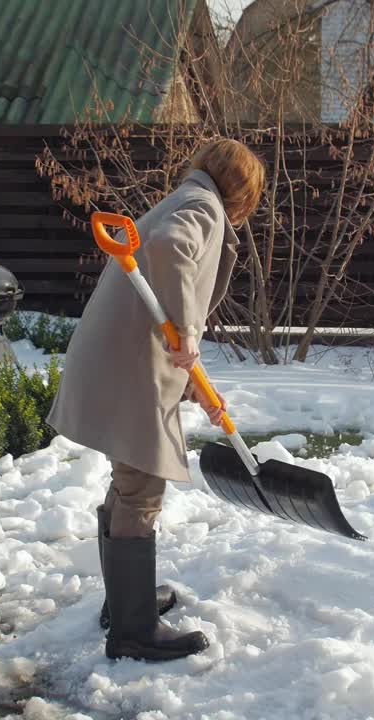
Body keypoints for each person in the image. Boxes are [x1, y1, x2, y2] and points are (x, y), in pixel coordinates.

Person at [47, 138, 266, 661]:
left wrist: (191, 368)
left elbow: (163, 287)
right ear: (242, 191)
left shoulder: (184, 197)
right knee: (141, 486)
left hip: (121, 359)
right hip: (129, 368)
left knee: (130, 482)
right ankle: (132, 632)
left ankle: (126, 605)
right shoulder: (202, 207)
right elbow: (171, 248)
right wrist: (188, 330)